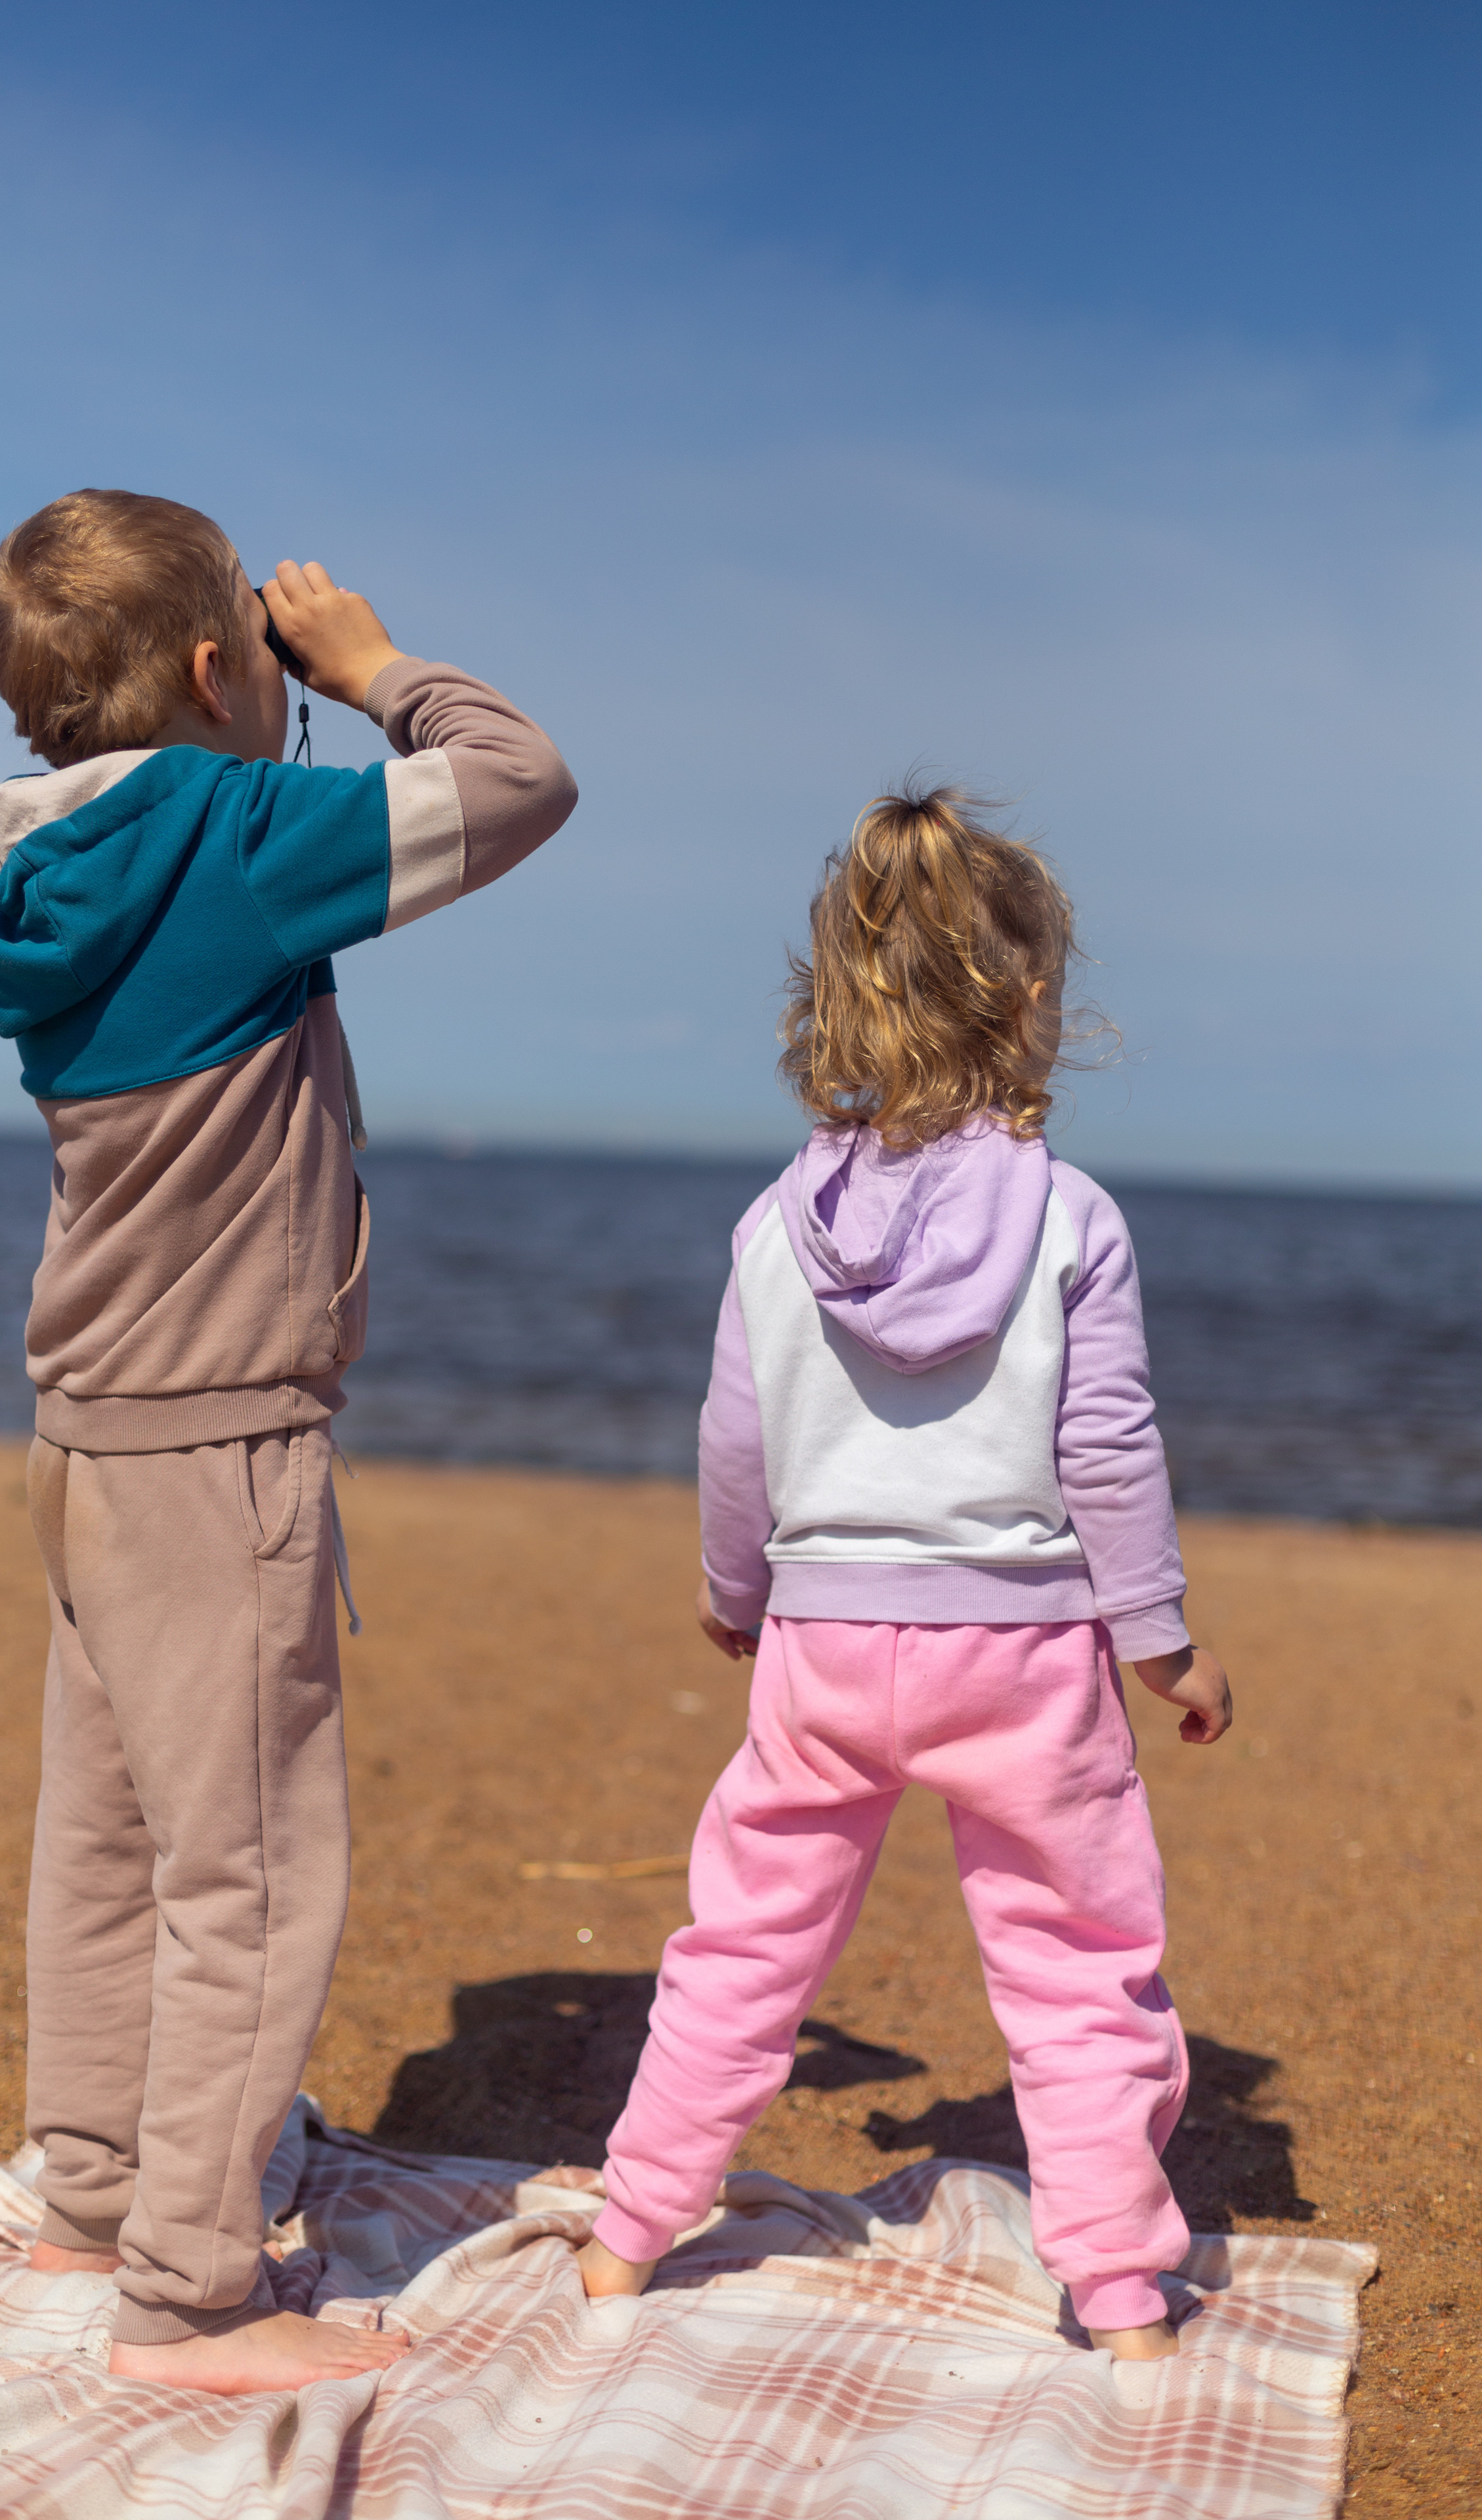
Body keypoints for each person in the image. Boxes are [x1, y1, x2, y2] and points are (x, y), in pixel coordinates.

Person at [0, 489, 576, 2395]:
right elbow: (523, 779)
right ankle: (189, 2295)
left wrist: (257, 685)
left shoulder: (9, 876)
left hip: (85, 1435)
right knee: (250, 1874)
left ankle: (92, 2195)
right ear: (230, 671)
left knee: (109, 1840)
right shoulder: (232, 837)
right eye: (265, 654)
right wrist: (375, 668)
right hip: (221, 1450)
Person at [578, 786, 1230, 2362]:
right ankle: (1118, 2291)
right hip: (1018, 1656)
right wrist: (1160, 1639)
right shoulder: (1070, 1220)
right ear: (1024, 1002)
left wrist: (735, 1592)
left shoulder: (771, 1229)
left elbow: (736, 1440)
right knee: (1074, 1965)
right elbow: (1108, 1447)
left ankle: (626, 2229)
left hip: (818, 1646)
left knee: (743, 1943)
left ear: (844, 998)